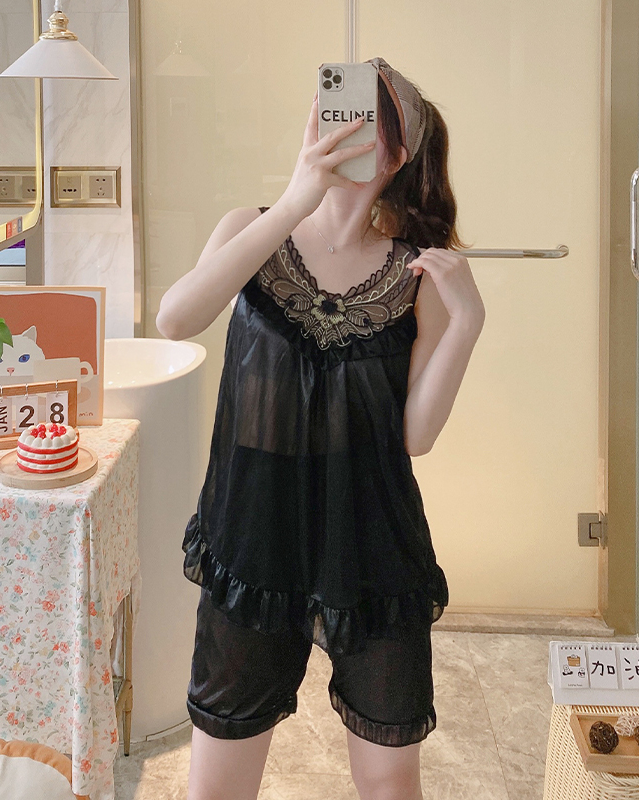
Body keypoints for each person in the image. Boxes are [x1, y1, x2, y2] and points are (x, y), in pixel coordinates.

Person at [156, 57, 486, 800]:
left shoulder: (417, 273)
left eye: (367, 115)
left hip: (371, 540)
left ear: (398, 153)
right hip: (252, 535)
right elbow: (176, 319)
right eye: (334, 105)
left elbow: (415, 437)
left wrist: (466, 322)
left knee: (391, 783)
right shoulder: (250, 229)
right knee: (217, 785)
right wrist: (296, 198)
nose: (341, 123)